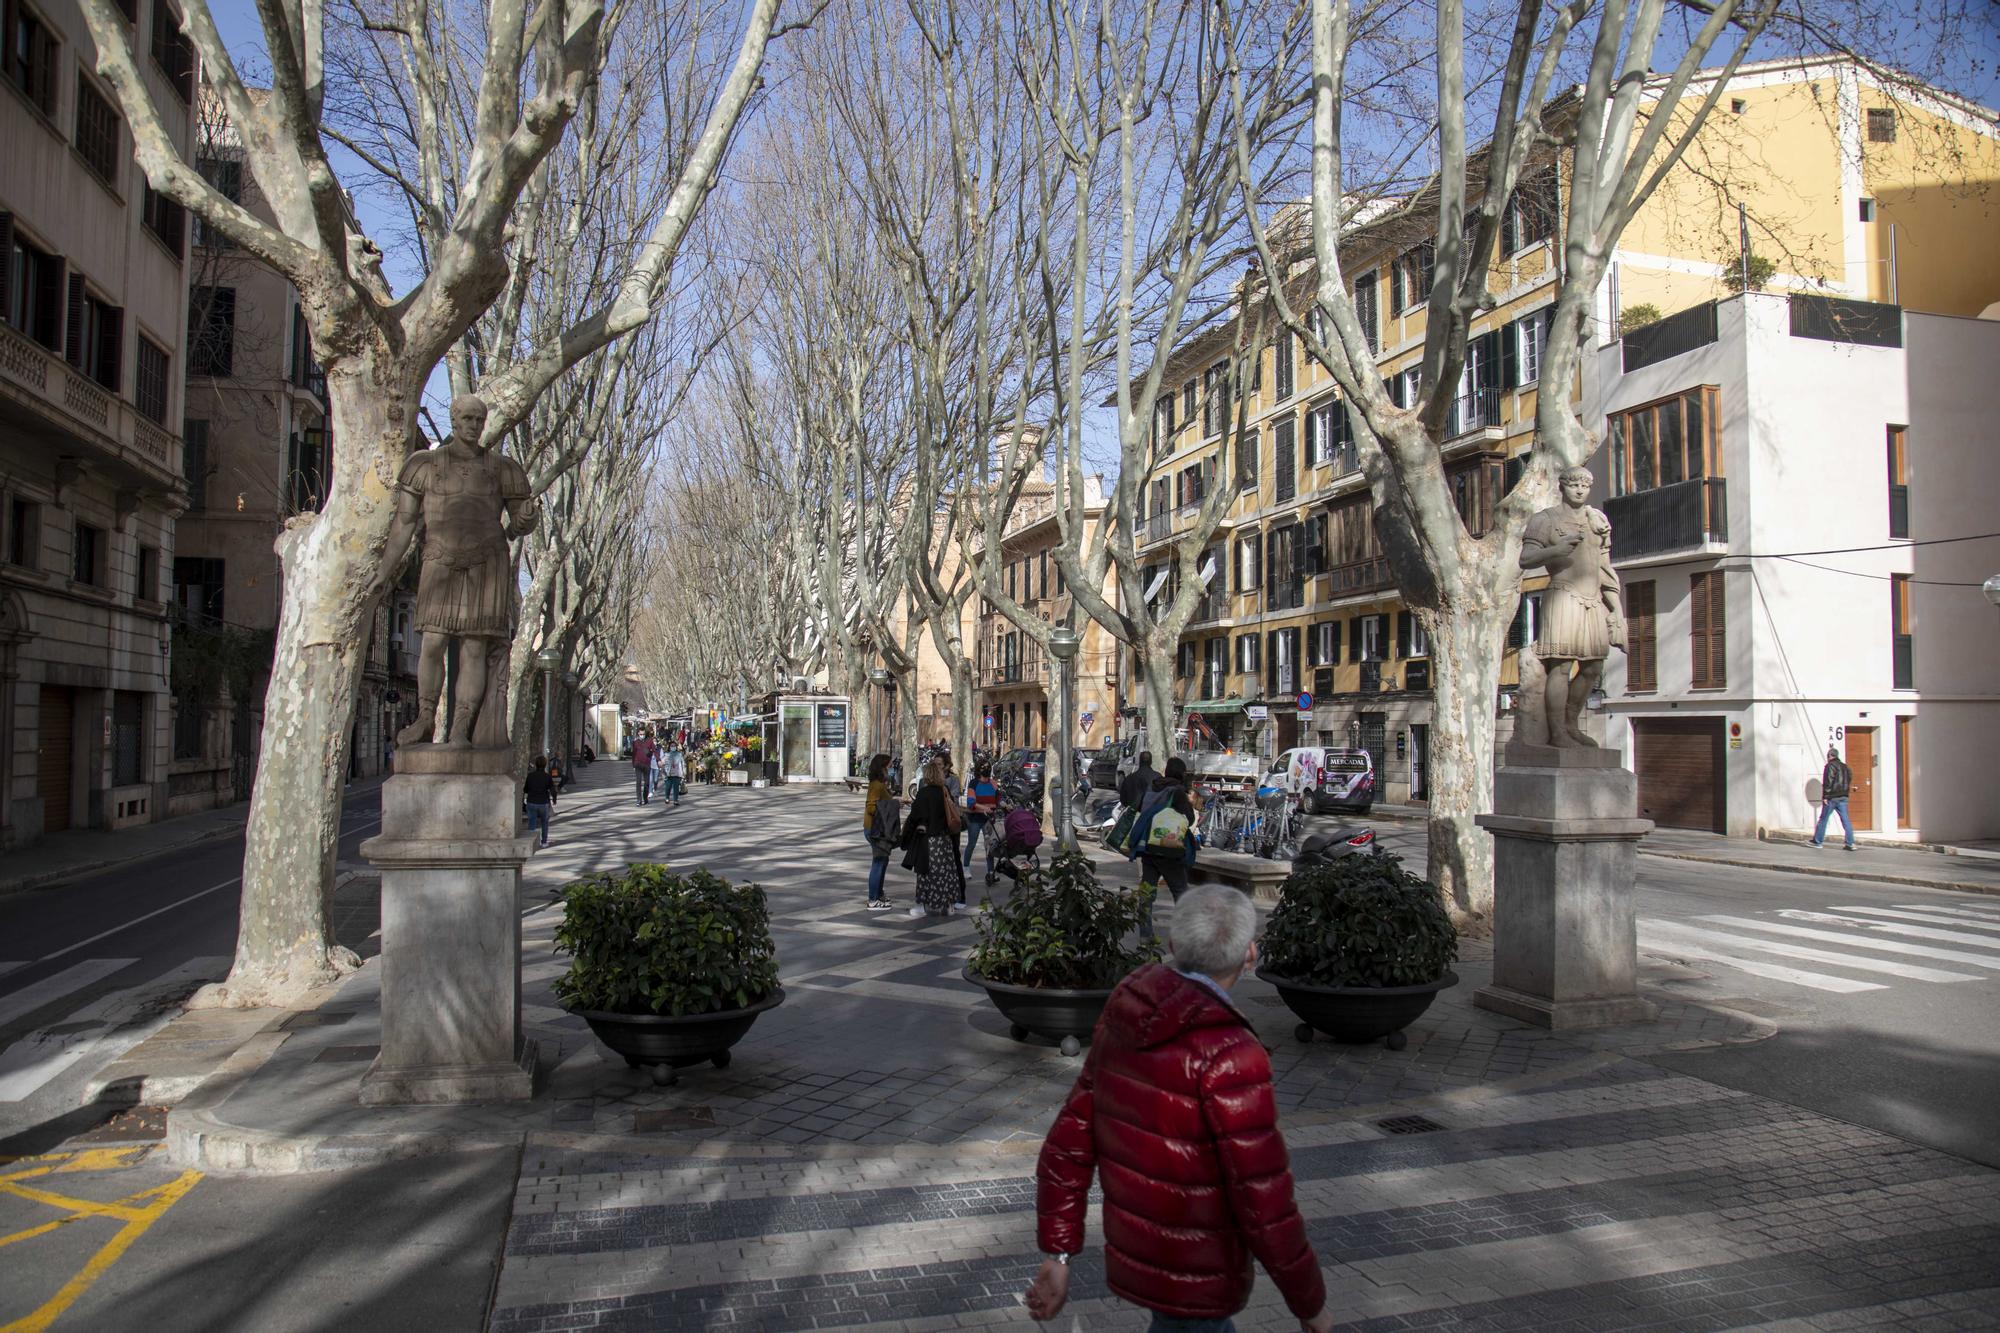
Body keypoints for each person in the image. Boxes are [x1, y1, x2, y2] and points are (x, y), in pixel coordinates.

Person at [1026, 886, 1331, 1333]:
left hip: (1144, 1251)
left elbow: (1067, 1144)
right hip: (1200, 1271)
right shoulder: (1232, 1053)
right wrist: (1311, 1306)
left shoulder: (1125, 1012)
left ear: (1171, 946)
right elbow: (1264, 1199)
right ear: (1250, 954)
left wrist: (1058, 1253)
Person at [1128, 756, 1198, 942]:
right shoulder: (1177, 792)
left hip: (1148, 845)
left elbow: (1142, 808)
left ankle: (1145, 933)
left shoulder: (1153, 786)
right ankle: (1185, 934)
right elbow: (1189, 819)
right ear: (1181, 774)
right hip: (1168, 849)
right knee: (1180, 890)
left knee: (1147, 891)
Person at [900, 758, 965, 918]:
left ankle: (923, 905)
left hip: (928, 840)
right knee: (946, 872)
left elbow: (916, 816)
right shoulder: (944, 791)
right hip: (945, 839)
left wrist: (905, 836)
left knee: (925, 873)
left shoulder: (923, 793)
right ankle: (948, 905)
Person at [862, 754, 899, 911]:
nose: (891, 769)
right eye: (888, 766)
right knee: (878, 862)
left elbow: (882, 802)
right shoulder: (876, 785)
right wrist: (888, 807)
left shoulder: (880, 784)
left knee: (883, 861)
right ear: (882, 768)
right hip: (876, 829)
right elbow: (871, 806)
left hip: (878, 829)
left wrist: (894, 803)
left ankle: (879, 894)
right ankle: (873, 898)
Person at [1813, 745, 1856, 850]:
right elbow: (1849, 777)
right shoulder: (1845, 767)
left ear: (1830, 756)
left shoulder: (1830, 766)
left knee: (1823, 819)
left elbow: (1828, 781)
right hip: (1844, 797)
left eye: (1828, 756)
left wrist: (1825, 796)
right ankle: (1850, 843)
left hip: (1832, 797)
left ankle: (1818, 841)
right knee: (1846, 820)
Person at [962, 761, 1000, 869]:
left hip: (988, 819)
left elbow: (998, 798)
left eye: (988, 767)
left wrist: (1004, 804)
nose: (986, 769)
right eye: (983, 767)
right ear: (979, 769)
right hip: (975, 819)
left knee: (989, 845)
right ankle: (966, 867)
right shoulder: (973, 783)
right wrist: (984, 808)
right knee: (972, 844)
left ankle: (990, 871)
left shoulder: (993, 783)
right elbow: (970, 803)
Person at [523, 755, 556, 849]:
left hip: (532, 801)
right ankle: (544, 842)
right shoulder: (547, 777)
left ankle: (531, 841)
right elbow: (552, 789)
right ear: (545, 765)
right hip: (543, 802)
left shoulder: (530, 776)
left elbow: (525, 789)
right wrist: (554, 799)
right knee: (544, 823)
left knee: (532, 822)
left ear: (536, 765)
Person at [630, 729, 657, 805]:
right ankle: (639, 799)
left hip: (647, 765)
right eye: (640, 734)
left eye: (643, 734)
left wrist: (653, 755)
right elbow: (633, 754)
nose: (642, 735)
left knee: (647, 783)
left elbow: (654, 750)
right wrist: (633, 765)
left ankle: (645, 797)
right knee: (638, 782)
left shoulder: (649, 741)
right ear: (638, 734)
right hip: (638, 764)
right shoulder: (635, 743)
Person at [662, 741, 687, 805]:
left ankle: (675, 800)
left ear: (676, 747)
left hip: (677, 773)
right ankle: (667, 798)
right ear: (669, 747)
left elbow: (683, 763)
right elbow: (662, 762)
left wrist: (684, 772)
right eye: (671, 746)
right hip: (668, 773)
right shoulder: (666, 754)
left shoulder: (679, 754)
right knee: (668, 787)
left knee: (676, 788)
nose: (673, 747)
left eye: (674, 746)